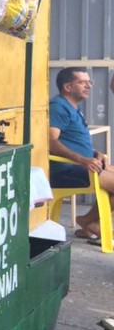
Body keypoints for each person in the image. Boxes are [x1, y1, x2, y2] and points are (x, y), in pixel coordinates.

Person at [48, 67, 114, 241]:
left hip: (82, 165)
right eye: (83, 82)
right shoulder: (58, 107)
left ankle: (89, 221)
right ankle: (91, 223)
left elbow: (71, 141)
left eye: (89, 82)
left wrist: (94, 153)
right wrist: (84, 160)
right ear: (67, 87)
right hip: (65, 170)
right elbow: (51, 142)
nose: (89, 86)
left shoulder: (73, 108)